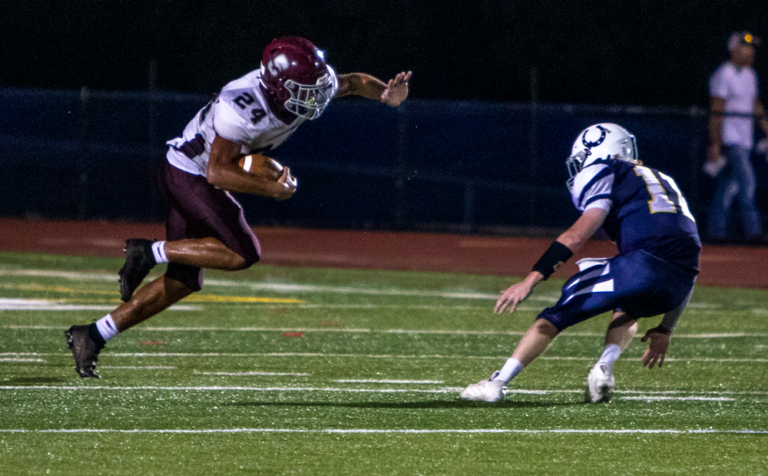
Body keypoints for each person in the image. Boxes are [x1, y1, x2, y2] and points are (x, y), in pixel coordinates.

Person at [65, 36, 412, 378]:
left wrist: (384, 94)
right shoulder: (243, 107)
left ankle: (92, 335)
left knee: (183, 280)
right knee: (241, 253)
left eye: (318, 87)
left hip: (197, 173)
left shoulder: (306, 82)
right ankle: (148, 252)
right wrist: (271, 189)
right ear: (279, 87)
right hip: (189, 174)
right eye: (306, 91)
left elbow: (352, 83)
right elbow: (218, 172)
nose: (317, 97)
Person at [460, 123, 700, 403]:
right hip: (679, 280)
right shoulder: (664, 180)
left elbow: (575, 236)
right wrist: (665, 328)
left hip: (641, 264)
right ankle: (603, 369)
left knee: (553, 316)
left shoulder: (606, 170)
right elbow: (691, 262)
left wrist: (530, 280)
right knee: (628, 307)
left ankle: (496, 383)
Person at [704, 31, 768, 244]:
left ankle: (716, 232)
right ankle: (754, 232)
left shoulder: (751, 75)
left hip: (746, 140)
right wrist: (715, 143)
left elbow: (756, 105)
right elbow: (716, 108)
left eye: (751, 47)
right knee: (748, 183)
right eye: (745, 46)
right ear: (734, 48)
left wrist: (766, 128)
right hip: (731, 140)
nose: (750, 51)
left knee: (727, 188)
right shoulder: (724, 73)